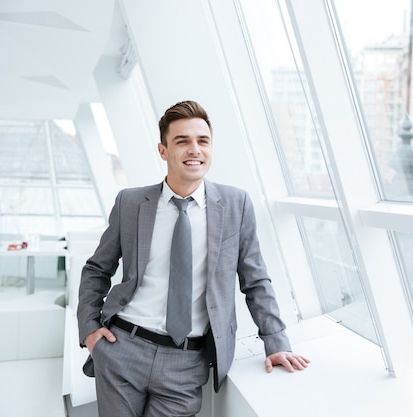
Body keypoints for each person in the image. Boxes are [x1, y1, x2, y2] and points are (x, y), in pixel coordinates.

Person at [77, 100, 309, 417]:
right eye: (182, 141)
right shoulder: (131, 203)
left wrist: (277, 342)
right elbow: (96, 269)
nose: (194, 150)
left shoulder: (235, 204)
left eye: (202, 141)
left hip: (186, 364)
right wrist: (90, 328)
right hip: (123, 348)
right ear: (163, 150)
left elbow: (255, 281)